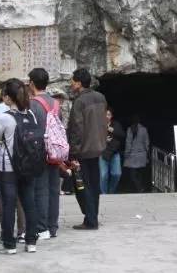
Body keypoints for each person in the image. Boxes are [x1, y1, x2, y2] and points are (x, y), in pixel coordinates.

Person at [0, 78, 41, 254]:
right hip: (28, 166)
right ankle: (31, 242)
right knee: (29, 203)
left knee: (8, 205)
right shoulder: (31, 115)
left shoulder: (4, 117)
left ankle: (9, 244)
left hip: (9, 167)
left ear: (8, 98)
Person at [67, 67, 108, 231]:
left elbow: (77, 128)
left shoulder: (79, 101)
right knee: (94, 184)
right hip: (98, 147)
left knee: (83, 185)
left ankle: (90, 220)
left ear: (78, 83)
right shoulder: (101, 97)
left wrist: (73, 151)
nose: (71, 84)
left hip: (83, 150)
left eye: (72, 81)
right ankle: (92, 216)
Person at [27, 67, 61, 239]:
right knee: (54, 188)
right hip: (54, 150)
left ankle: (42, 227)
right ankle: (52, 226)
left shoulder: (33, 104)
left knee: (40, 189)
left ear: (32, 83)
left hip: (40, 151)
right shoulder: (55, 103)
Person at [100, 107, 125, 195]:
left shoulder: (116, 124)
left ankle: (111, 191)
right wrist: (104, 140)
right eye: (105, 115)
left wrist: (112, 130)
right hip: (103, 153)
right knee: (103, 175)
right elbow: (93, 139)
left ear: (111, 116)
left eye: (109, 115)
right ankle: (104, 193)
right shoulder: (99, 126)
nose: (107, 116)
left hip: (115, 153)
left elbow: (122, 135)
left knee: (117, 174)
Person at [123, 115, 150, 193]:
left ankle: (139, 188)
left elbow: (128, 143)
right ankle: (140, 187)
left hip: (132, 155)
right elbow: (147, 142)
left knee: (132, 174)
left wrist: (126, 154)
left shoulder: (129, 129)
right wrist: (147, 153)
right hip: (142, 155)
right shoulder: (144, 129)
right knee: (139, 173)